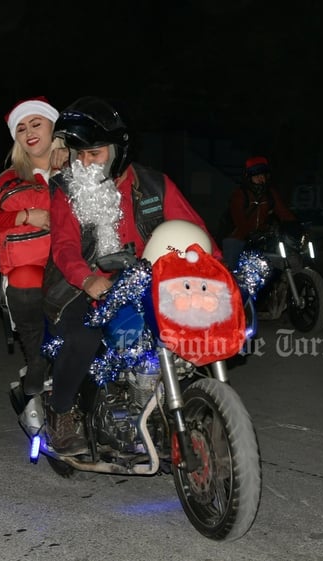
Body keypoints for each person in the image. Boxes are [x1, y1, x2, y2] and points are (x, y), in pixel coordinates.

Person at [42, 96, 220, 455]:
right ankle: (60, 413)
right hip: (85, 287)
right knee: (86, 335)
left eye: (95, 153)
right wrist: (87, 278)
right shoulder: (66, 190)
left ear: (118, 149)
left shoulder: (156, 185)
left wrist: (215, 270)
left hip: (154, 282)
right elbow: (63, 246)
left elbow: (196, 232)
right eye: (80, 154)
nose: (86, 162)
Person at [0, 96, 60, 401]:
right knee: (23, 277)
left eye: (36, 123)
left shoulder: (83, 167)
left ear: (54, 127)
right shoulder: (7, 179)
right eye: (21, 128)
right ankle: (36, 359)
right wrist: (26, 215)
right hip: (34, 266)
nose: (29, 132)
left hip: (79, 261)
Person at [221, 155, 297, 270]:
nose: (261, 179)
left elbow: (283, 213)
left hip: (261, 238)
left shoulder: (270, 194)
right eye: (256, 176)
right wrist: (250, 232)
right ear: (249, 177)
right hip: (237, 237)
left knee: (278, 260)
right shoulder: (240, 195)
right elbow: (238, 219)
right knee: (231, 268)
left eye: (262, 175)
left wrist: (295, 226)